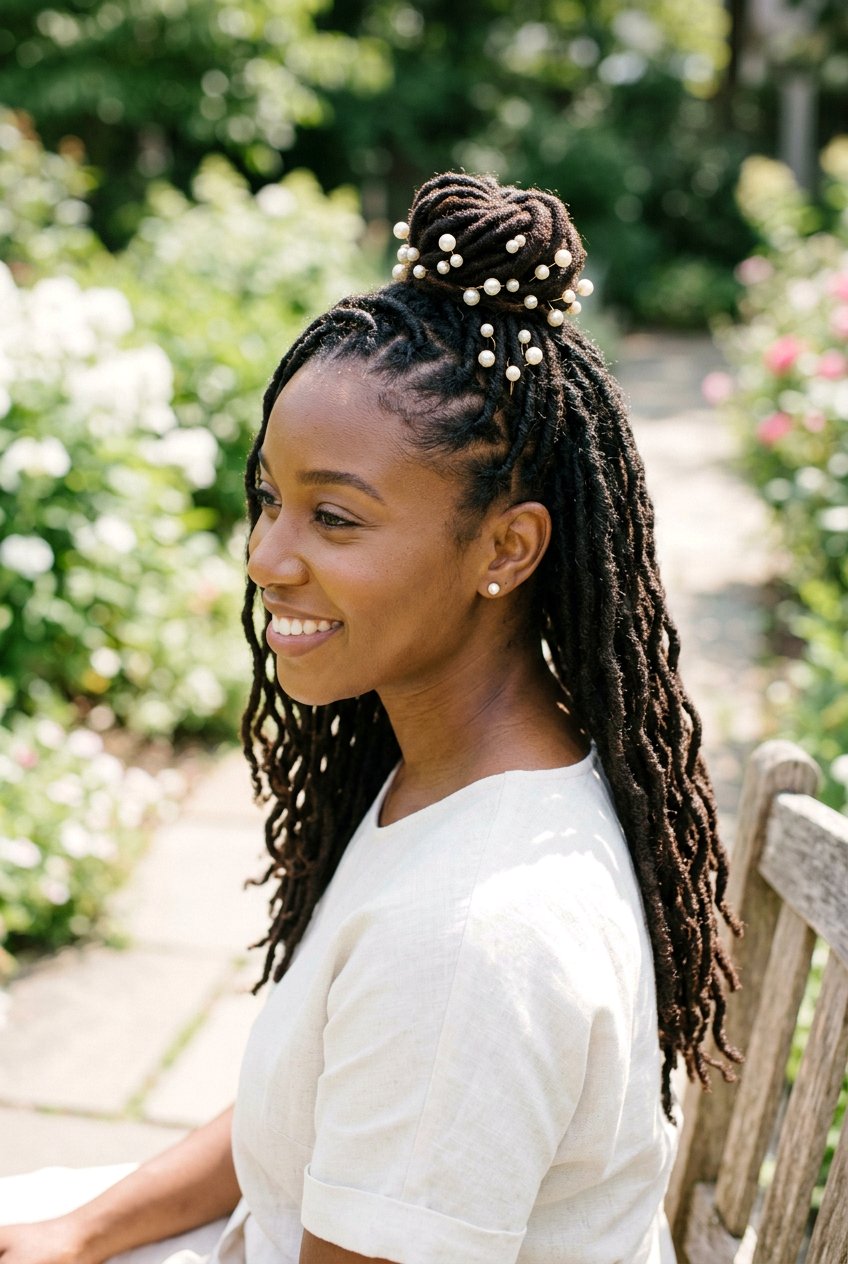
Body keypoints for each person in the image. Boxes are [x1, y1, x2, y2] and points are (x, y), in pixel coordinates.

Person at [0, 172, 741, 1264]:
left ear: (506, 548)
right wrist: (73, 1231)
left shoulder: (472, 942)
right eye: (268, 498)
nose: (265, 556)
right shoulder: (461, 767)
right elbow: (310, 1125)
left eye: (333, 515)